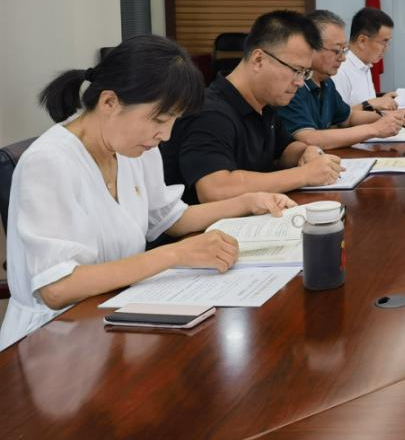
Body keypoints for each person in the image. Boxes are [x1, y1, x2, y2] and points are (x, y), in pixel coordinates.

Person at [0, 35, 296, 350]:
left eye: (173, 122)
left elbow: (171, 218)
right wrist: (175, 254)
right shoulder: (49, 162)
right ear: (109, 102)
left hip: (116, 317)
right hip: (54, 339)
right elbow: (57, 288)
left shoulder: (134, 148)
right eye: (159, 120)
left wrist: (248, 202)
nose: (165, 135)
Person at [161, 10, 343, 203]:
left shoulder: (264, 103)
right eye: (296, 70)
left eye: (305, 73)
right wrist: (304, 175)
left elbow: (284, 149)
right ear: (258, 59)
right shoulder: (210, 112)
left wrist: (307, 152)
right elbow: (215, 189)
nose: (299, 82)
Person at [279, 10, 405, 150]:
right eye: (336, 51)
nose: (343, 58)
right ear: (311, 48)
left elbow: (348, 117)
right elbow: (309, 138)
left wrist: (392, 116)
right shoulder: (293, 86)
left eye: (344, 49)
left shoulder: (326, 82)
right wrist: (375, 129)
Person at [332, 7, 401, 112]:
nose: (386, 48)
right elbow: (338, 118)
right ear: (362, 41)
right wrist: (374, 104)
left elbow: (367, 108)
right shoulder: (339, 71)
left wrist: (384, 102)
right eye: (384, 42)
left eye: (388, 42)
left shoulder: (364, 65)